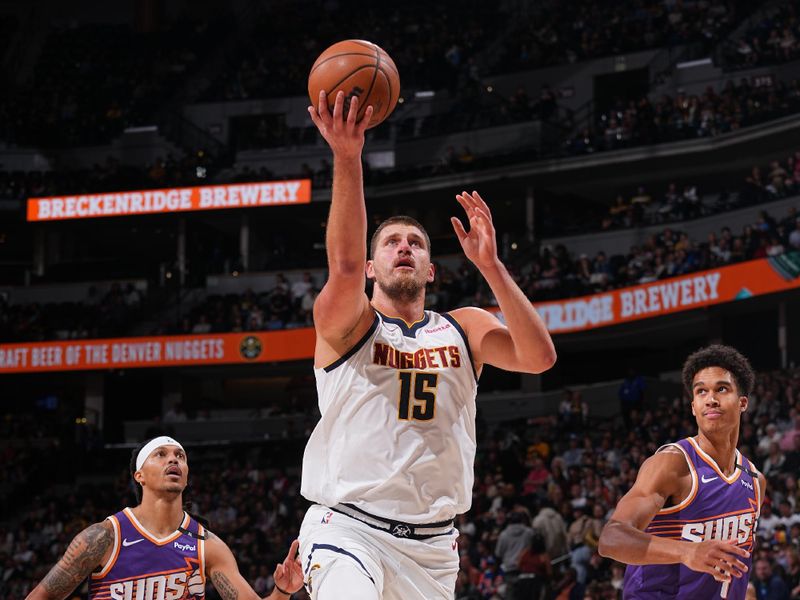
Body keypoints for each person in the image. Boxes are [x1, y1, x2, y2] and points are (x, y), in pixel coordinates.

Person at [299, 90, 557, 600]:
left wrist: (492, 267)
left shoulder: (466, 326)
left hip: (434, 546)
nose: (404, 248)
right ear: (372, 267)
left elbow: (539, 357)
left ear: (431, 270)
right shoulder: (349, 325)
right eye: (391, 242)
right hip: (347, 529)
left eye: (416, 244)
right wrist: (348, 157)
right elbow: (343, 267)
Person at [25, 436, 304, 600]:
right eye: (161, 454)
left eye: (180, 456)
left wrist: (282, 590)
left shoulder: (207, 545)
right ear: (139, 475)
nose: (174, 460)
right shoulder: (104, 537)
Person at [598, 345, 766, 599]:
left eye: (722, 389)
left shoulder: (754, 481)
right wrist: (687, 552)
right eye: (701, 391)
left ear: (742, 403)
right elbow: (611, 539)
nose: (711, 398)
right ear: (693, 406)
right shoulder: (672, 464)